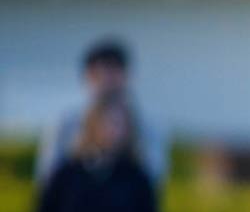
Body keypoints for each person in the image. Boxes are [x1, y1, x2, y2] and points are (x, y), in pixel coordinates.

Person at [37, 38, 168, 187]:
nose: (108, 80)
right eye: (101, 73)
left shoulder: (146, 125)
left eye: (114, 72)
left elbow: (153, 177)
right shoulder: (67, 122)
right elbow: (49, 176)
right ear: (88, 76)